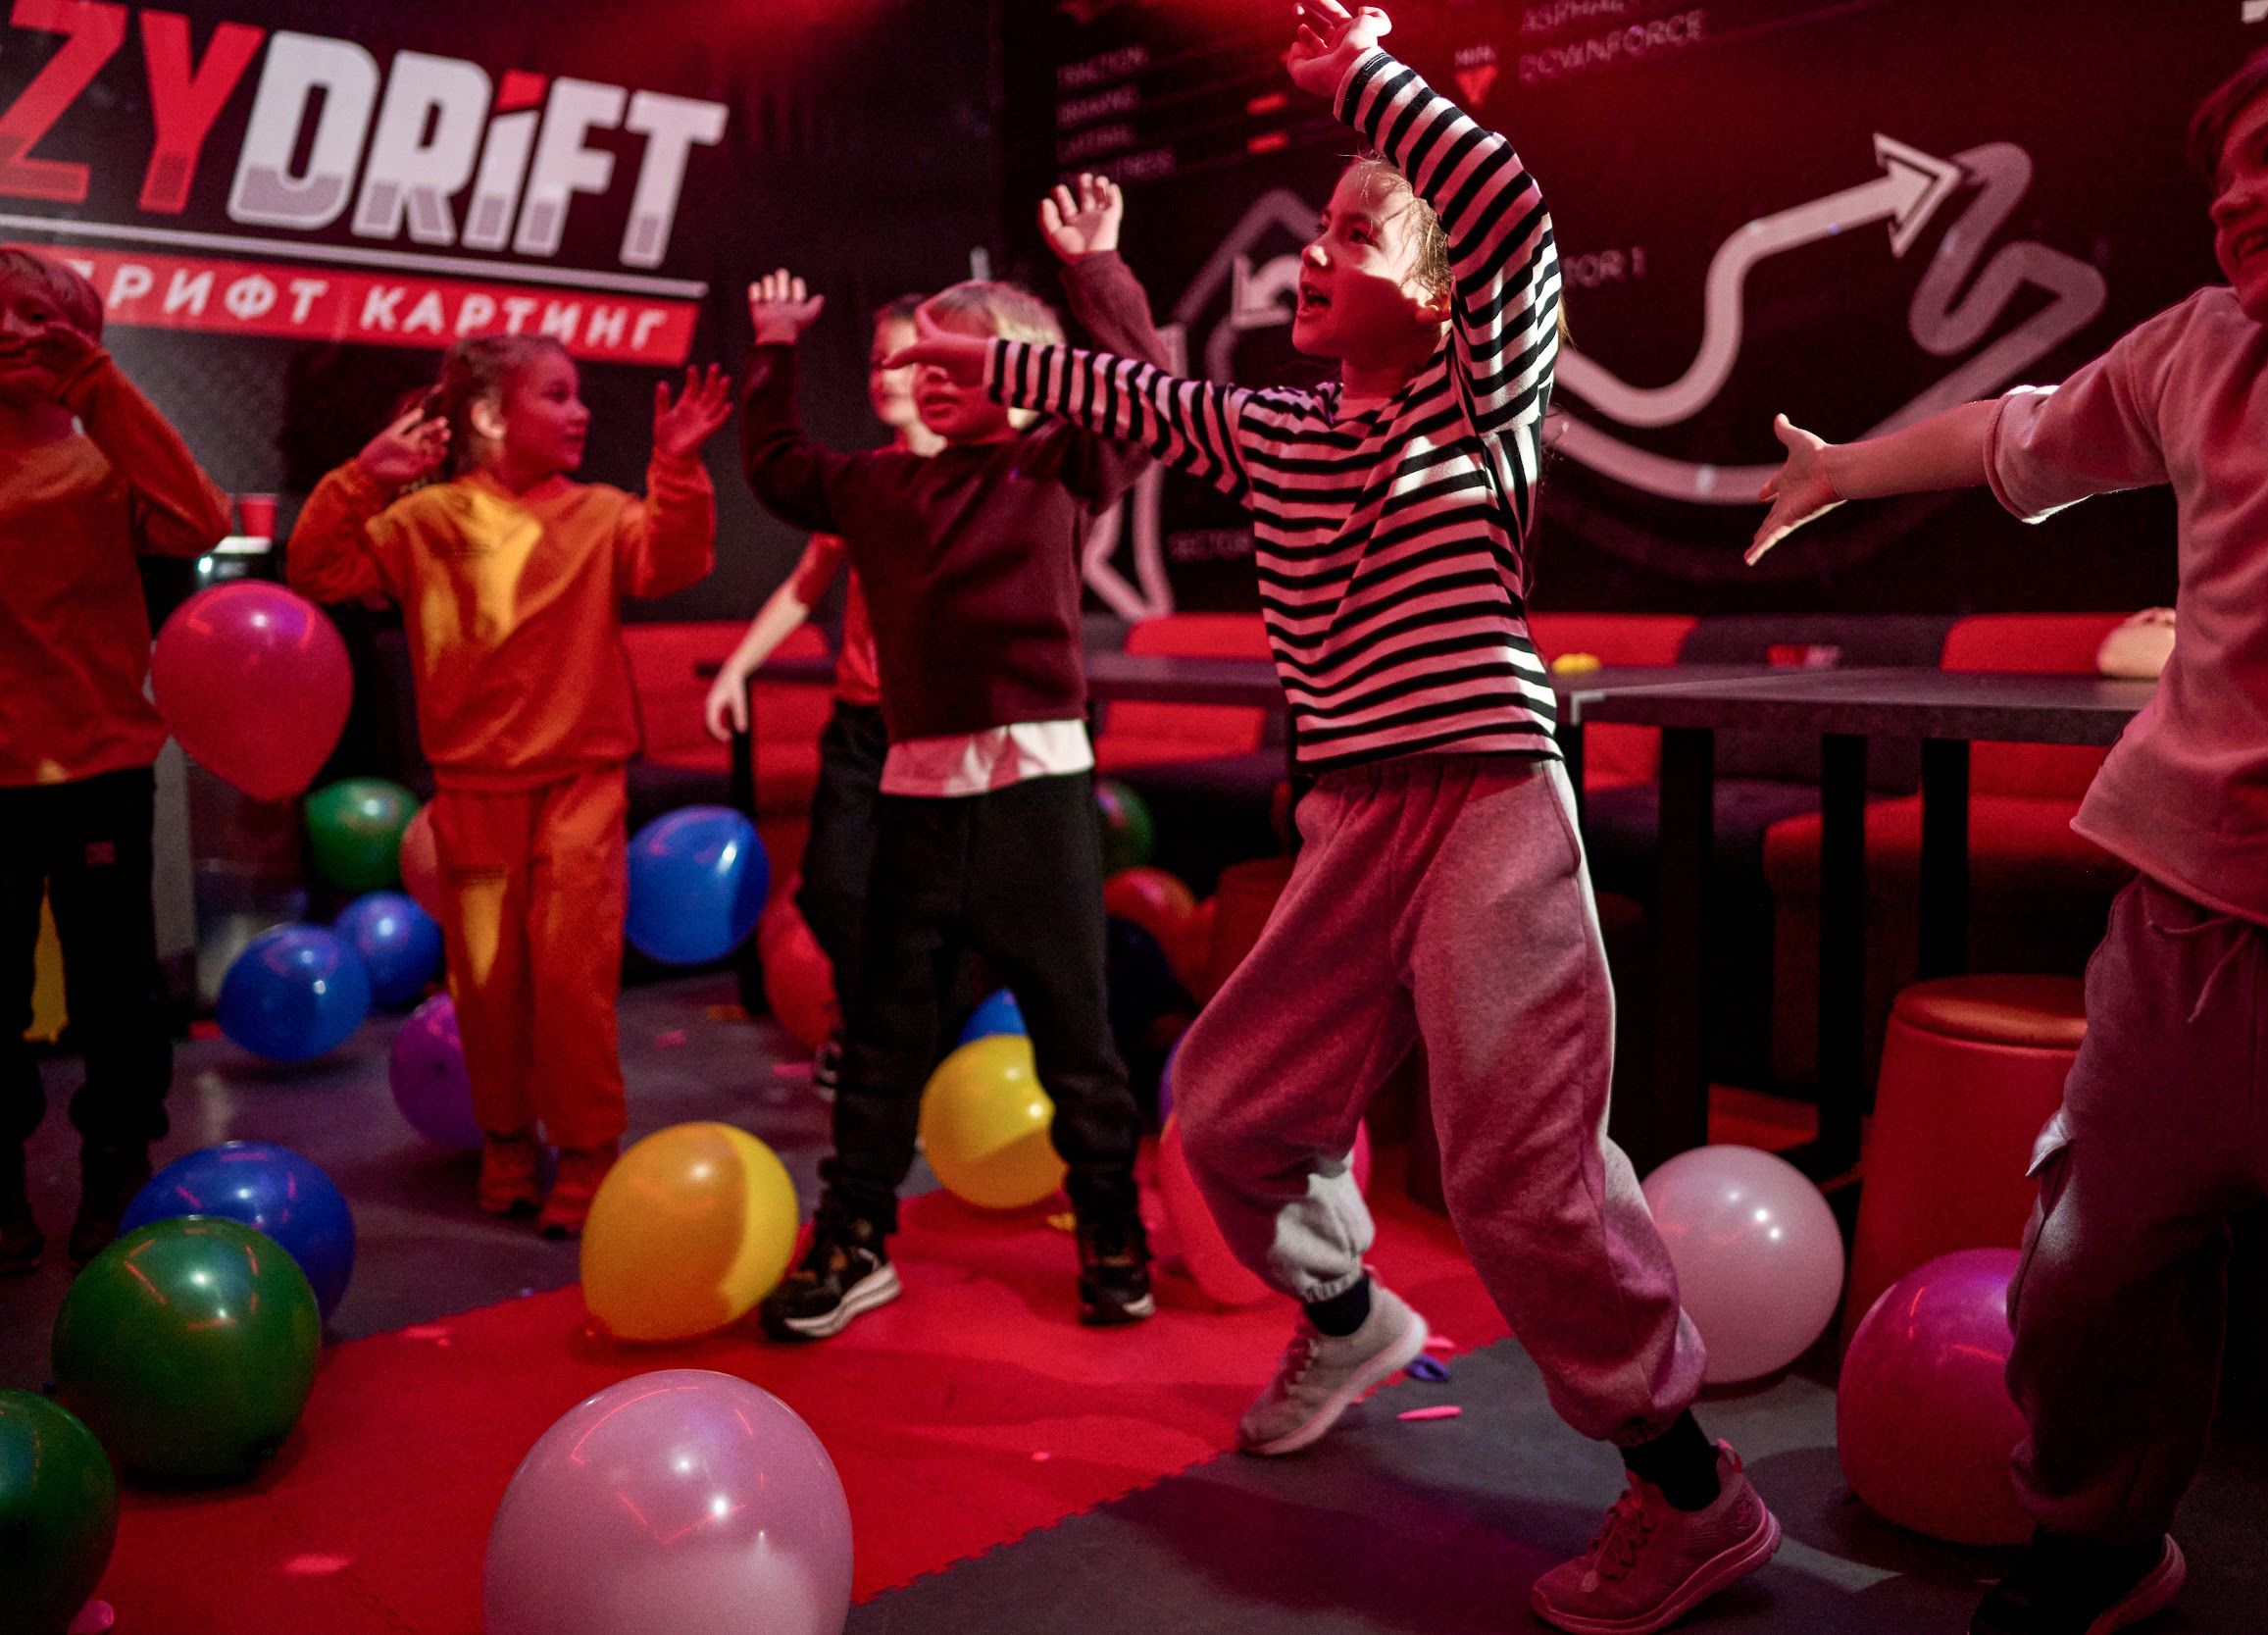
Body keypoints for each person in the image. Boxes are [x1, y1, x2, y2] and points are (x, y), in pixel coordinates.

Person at [889, 7, 1779, 1628]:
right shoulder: (1285, 433)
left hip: (1487, 796)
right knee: (1230, 1117)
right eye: (1316, 229)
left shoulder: (1480, 401)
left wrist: (1364, 79)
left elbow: (1509, 208)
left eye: (1357, 235)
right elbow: (1137, 396)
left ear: (1437, 298)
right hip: (1351, 820)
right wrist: (993, 362)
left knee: (1519, 1174)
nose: (1315, 251)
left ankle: (1690, 1484)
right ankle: (1353, 1311)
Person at [1751, 8, 2268, 1630]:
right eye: (2219, 173)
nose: (2233, 193)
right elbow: (2017, 433)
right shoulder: (2202, 350)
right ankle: (2100, 1548)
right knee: (2088, 1286)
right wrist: (1844, 471)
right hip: (2175, 942)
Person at [741, 176, 1165, 1336]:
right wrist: (774, 348)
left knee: (1075, 1033)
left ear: (1026, 378)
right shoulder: (881, 485)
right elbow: (776, 465)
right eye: (913, 355)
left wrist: (1094, 270)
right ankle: (855, 1232)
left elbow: (1144, 400)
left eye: (953, 355)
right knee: (882, 1033)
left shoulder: (1057, 466)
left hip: (1037, 793)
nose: (923, 372)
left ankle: (1110, 1227)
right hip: (918, 796)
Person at [289, 339, 730, 1236]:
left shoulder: (600, 514)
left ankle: (590, 1149)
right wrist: (363, 478)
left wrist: (679, 466)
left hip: (578, 788)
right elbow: (317, 570)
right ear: (490, 416)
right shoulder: (424, 520)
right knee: (487, 987)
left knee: (572, 980)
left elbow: (673, 562)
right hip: (474, 794)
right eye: (556, 395)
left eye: (578, 396)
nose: (580, 413)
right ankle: (506, 1142)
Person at [0, 249, 230, 1271]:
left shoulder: (105, 462)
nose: (11, 330)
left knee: (116, 995)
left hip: (99, 768)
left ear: (81, 335)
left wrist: (99, 386)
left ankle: (116, 1167)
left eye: (36, 315)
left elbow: (200, 520)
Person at [705, 295, 944, 1096]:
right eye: (876, 359)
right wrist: (739, 667)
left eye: (903, 358)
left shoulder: (983, 481)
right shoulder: (862, 481)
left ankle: (900, 1039)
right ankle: (872, 1020)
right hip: (862, 725)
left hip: (943, 729)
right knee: (833, 883)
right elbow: (805, 588)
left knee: (936, 896)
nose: (886, 374)